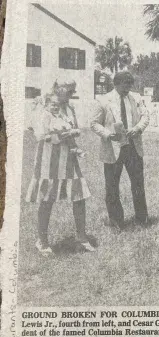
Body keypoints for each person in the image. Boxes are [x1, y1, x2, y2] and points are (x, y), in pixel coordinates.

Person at [25, 91, 93, 255]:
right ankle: (42, 240)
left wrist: (74, 139)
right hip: (49, 162)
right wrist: (63, 135)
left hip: (69, 160)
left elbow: (75, 130)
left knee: (79, 197)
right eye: (53, 103)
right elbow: (43, 136)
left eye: (59, 103)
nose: (57, 106)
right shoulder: (42, 114)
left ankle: (81, 238)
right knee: (47, 199)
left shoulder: (67, 112)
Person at [90, 71, 150, 230]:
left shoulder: (136, 98)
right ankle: (116, 222)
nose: (127, 89)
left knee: (138, 184)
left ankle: (141, 219)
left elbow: (146, 117)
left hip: (133, 148)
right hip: (113, 149)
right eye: (125, 85)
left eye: (130, 85)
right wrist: (108, 135)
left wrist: (137, 129)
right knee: (112, 186)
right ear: (115, 84)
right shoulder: (103, 100)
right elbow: (94, 124)